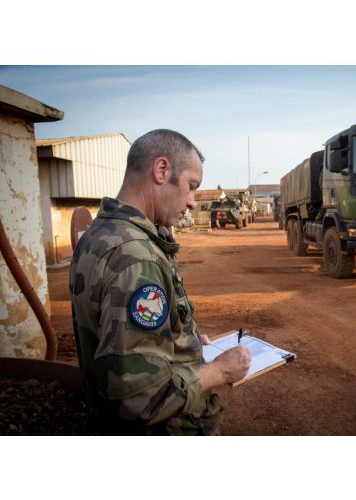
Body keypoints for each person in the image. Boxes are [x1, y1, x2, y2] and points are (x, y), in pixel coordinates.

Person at [69, 129, 251, 435]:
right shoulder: (137, 258)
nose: (193, 202)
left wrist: (184, 341)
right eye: (191, 186)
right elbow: (140, 400)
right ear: (162, 170)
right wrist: (219, 371)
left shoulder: (100, 234)